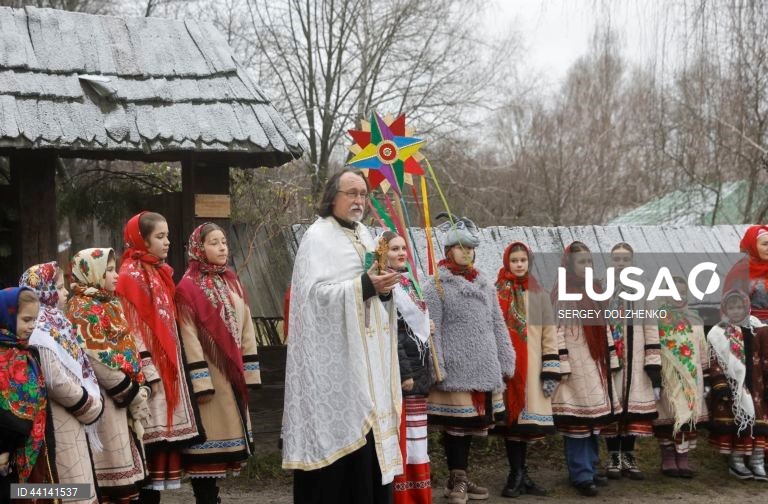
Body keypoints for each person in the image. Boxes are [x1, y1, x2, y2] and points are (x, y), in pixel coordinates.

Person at [282, 170, 403, 504]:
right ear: (332, 196)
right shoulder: (318, 237)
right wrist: (364, 286)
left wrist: (383, 290)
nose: (359, 200)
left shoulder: (365, 234)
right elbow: (312, 298)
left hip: (368, 364)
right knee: (339, 468)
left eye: (363, 194)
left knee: (370, 453)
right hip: (334, 370)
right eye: (352, 193)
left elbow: (372, 291)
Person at [423, 217, 516, 504]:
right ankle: (457, 478)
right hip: (455, 368)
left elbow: (497, 323)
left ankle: (460, 477)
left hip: (484, 366)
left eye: (470, 248)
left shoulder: (485, 284)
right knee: (456, 426)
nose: (466, 253)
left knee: (472, 426)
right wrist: (437, 366)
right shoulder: (436, 285)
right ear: (449, 250)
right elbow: (432, 328)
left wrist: (505, 357)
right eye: (460, 247)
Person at [117, 211, 201, 502]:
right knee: (147, 444)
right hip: (148, 374)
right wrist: (149, 371)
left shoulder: (160, 272)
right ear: (142, 239)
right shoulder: (128, 277)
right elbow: (131, 329)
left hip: (167, 369)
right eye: (159, 236)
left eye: (167, 236)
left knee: (161, 449)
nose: (167, 242)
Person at [176, 223, 262, 504]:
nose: (222, 247)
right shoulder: (187, 288)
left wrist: (249, 373)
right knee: (205, 451)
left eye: (223, 241)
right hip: (210, 380)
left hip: (232, 377)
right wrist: (200, 383)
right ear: (199, 248)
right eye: (214, 243)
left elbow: (247, 328)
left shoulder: (233, 282)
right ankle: (206, 498)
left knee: (226, 444)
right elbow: (188, 337)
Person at [67, 248, 149, 503]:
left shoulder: (108, 302)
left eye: (115, 269)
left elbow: (124, 346)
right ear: (92, 273)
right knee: (110, 477)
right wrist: (130, 391)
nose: (116, 275)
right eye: (109, 270)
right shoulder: (81, 308)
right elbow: (95, 358)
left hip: (120, 395)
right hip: (105, 397)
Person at [20, 262, 103, 504]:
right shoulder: (39, 329)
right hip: (58, 419)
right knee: (69, 486)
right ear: (44, 292)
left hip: (70, 418)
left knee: (76, 484)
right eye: (58, 287)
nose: (65, 292)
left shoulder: (57, 323)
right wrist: (88, 405)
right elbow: (55, 380)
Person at [550, 241, 621, 497]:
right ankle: (581, 474)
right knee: (577, 421)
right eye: (581, 262)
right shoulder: (563, 294)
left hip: (595, 363)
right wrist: (561, 365)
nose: (586, 266)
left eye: (589, 261)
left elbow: (605, 327)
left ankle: (591, 466)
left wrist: (611, 359)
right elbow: (557, 332)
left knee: (593, 420)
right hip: (575, 366)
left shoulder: (595, 291)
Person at [493, 241, 559, 498]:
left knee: (526, 424)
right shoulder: (497, 292)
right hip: (507, 370)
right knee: (512, 423)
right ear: (507, 262)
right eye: (514, 260)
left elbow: (549, 333)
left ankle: (521, 474)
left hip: (532, 370)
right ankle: (516, 474)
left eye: (523, 260)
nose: (519, 264)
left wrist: (551, 369)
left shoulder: (539, 294)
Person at [374, 231, 433, 504]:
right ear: (382, 253)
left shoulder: (409, 283)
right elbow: (391, 332)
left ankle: (419, 495)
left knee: (417, 439)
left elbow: (415, 329)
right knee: (404, 438)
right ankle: (404, 496)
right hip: (403, 373)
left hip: (419, 368)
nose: (400, 253)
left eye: (403, 248)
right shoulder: (384, 286)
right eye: (394, 248)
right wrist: (405, 372)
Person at [602, 243, 661, 480]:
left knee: (632, 408)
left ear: (632, 262)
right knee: (613, 407)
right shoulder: (602, 289)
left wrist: (653, 363)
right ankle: (613, 456)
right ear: (611, 261)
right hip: (611, 359)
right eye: (617, 259)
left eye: (625, 259)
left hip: (635, 360)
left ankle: (628, 455)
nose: (621, 263)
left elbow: (651, 326)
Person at [706, 290, 768, 481]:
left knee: (759, 423)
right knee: (738, 423)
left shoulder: (759, 330)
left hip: (756, 386)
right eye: (731, 307)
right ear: (724, 309)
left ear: (747, 307)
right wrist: (720, 384)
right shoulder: (718, 332)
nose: (736, 311)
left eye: (740, 306)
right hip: (733, 387)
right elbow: (714, 360)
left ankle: (757, 461)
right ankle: (737, 461)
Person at [653, 276, 709, 478]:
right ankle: (668, 457)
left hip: (691, 378)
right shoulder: (657, 317)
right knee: (668, 416)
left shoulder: (694, 319)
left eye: (682, 292)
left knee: (687, 417)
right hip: (667, 377)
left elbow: (702, 349)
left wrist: (707, 378)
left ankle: (683, 457)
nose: (679, 296)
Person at [0, 287, 54, 496]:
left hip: (31, 449)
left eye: (35, 320)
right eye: (26, 320)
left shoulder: (27, 353)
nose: (32, 326)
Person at [724, 224, 768, 323]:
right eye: (765, 244)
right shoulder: (740, 272)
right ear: (752, 246)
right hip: (752, 326)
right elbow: (732, 308)